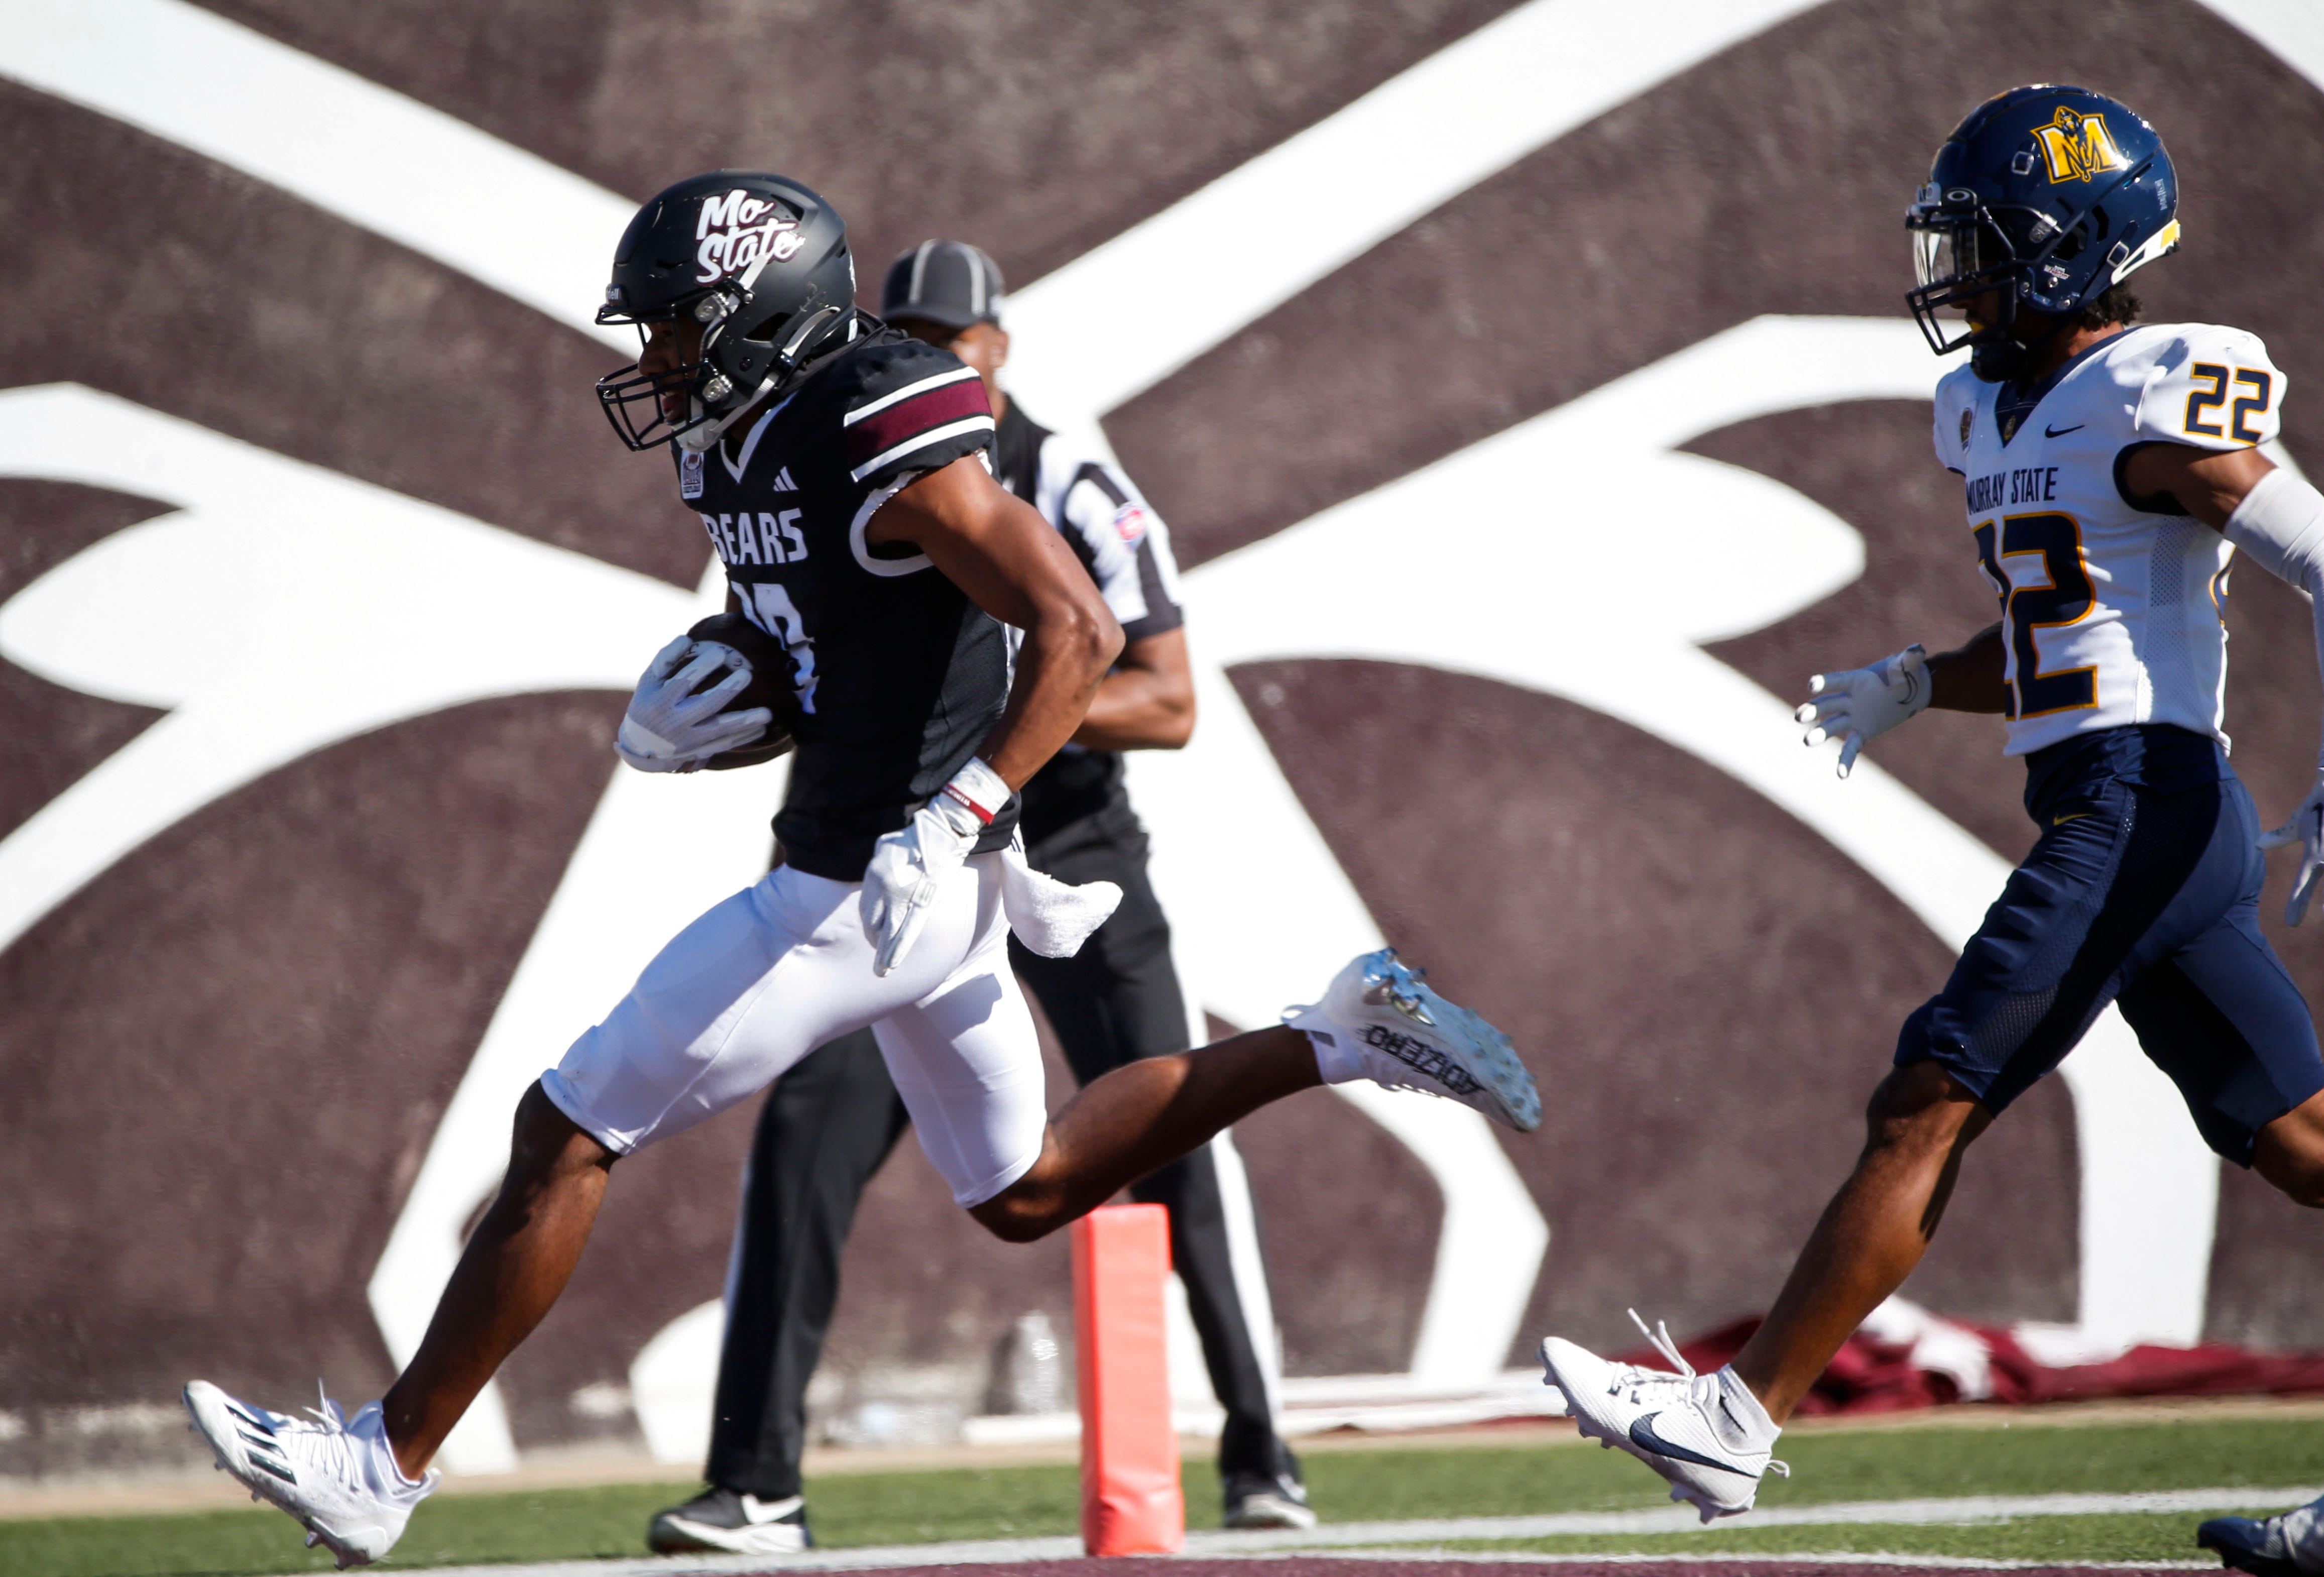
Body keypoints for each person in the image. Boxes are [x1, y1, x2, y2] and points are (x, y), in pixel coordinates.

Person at [177, 171, 1540, 1570]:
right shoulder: (732, 439)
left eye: (675, 325)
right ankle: (1341, 1033)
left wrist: (958, 810)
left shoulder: (875, 414)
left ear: (760, 312)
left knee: (571, 1125)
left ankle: (383, 1460)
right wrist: (706, 705)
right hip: (904, 885)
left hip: (866, 886)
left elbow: (1070, 629)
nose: (651, 358)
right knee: (1022, 1188)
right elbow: (808, 635)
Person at [1536, 86, 2324, 1526]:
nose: (1951, 276)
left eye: (1983, 243)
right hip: (2130, 805)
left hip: (2140, 805)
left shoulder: (2154, 384)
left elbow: (2321, 554)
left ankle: (1730, 1417)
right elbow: (2059, 637)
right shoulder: (1989, 405)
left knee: (1929, 1089)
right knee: (2300, 1142)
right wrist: (1914, 681)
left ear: (2073, 249)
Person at [644, 240, 1309, 1559]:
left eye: (959, 335)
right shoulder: (833, 446)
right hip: (892, 869)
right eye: (909, 329)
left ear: (1000, 347)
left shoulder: (1064, 477)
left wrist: (990, 739)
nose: (935, 354)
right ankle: (755, 1484)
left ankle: (1257, 1446)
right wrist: (692, 718)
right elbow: (796, 665)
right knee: (802, 1146)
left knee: (1164, 1130)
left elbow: (1166, 700)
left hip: (1060, 852)